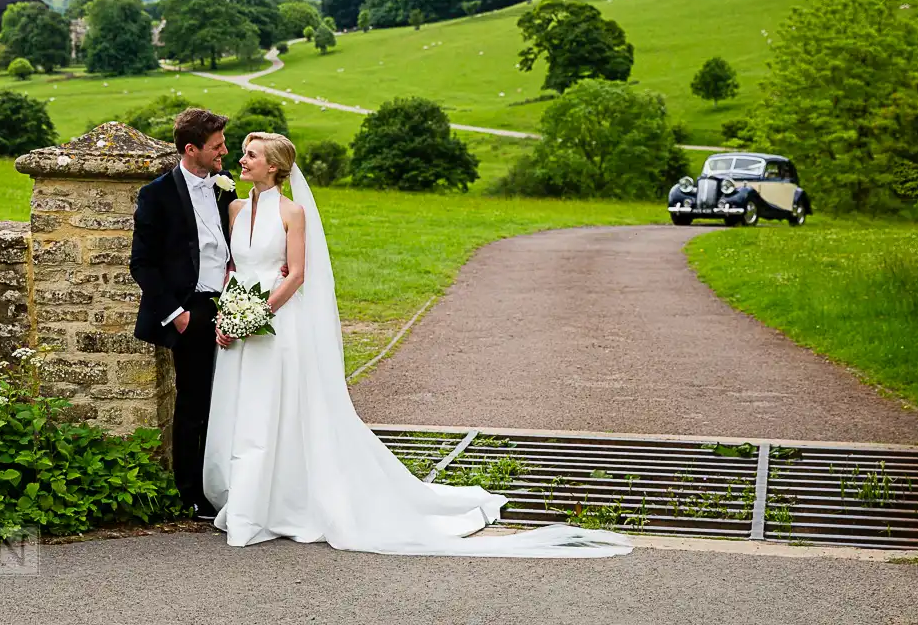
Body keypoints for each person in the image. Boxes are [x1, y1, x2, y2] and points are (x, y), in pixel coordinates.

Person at [202, 132, 632, 558]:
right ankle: (249, 500)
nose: (241, 159)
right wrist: (227, 315)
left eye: (251, 155)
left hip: (278, 323)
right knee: (246, 409)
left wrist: (259, 315)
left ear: (273, 166)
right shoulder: (236, 208)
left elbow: (296, 274)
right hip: (239, 320)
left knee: (279, 407)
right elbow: (234, 267)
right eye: (243, 153)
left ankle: (284, 502)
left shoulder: (293, 212)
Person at [130, 109, 237, 521]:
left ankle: (226, 481)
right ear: (190, 149)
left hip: (230, 305)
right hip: (190, 312)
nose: (225, 151)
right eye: (217, 146)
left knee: (230, 397)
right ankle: (192, 493)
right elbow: (141, 264)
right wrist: (177, 314)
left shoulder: (223, 189)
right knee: (195, 404)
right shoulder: (156, 195)